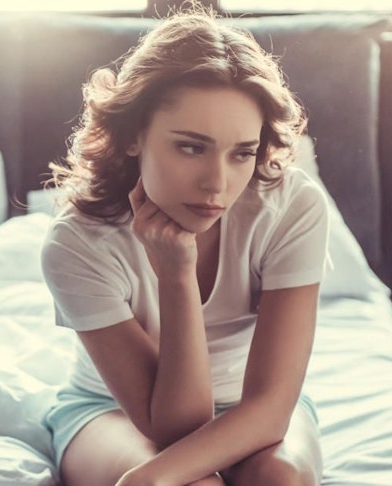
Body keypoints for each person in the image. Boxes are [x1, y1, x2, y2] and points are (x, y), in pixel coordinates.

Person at [41, 8, 329, 486]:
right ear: (134, 135)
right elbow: (175, 427)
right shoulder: (78, 242)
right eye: (191, 147)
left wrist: (145, 481)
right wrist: (176, 275)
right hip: (110, 413)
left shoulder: (291, 207)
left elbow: (271, 407)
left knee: (281, 478)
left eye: (242, 153)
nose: (217, 184)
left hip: (251, 406)